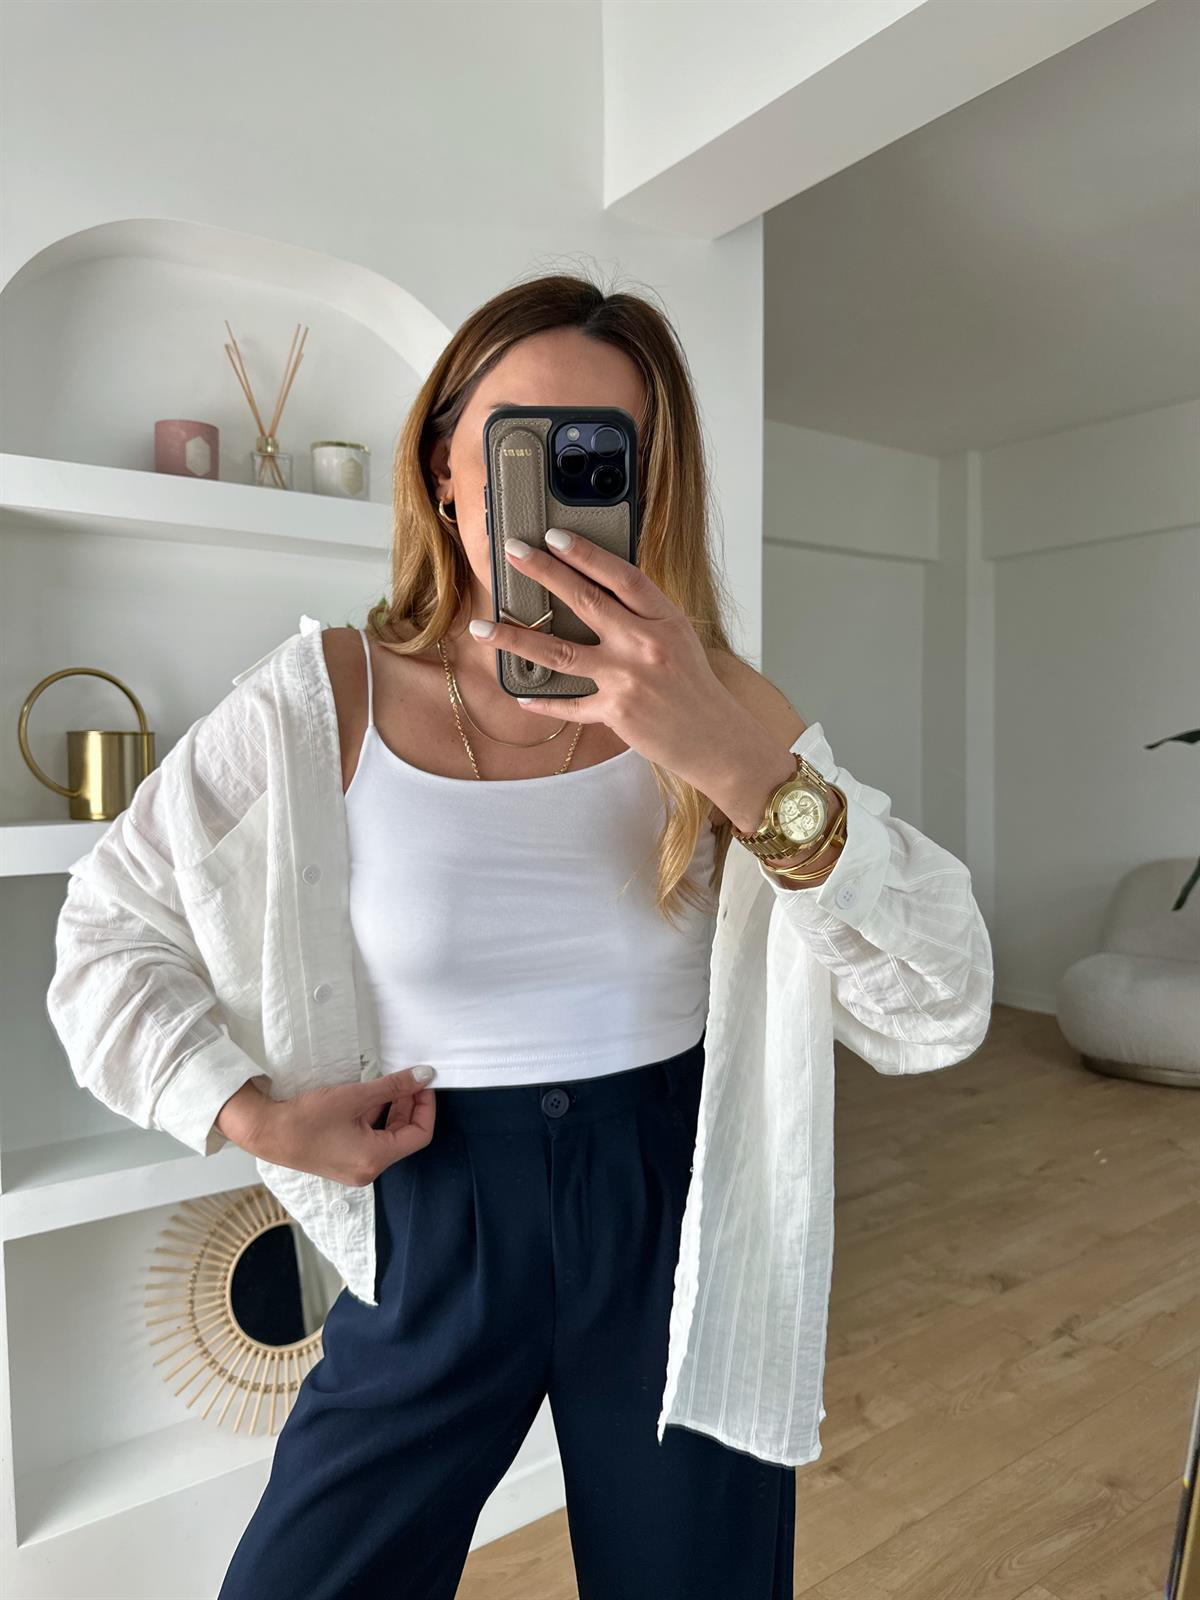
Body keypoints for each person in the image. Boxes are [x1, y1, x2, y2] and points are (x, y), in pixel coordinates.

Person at [47, 270, 993, 1600]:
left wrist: (734, 763)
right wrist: (252, 1116)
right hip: (436, 1204)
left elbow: (939, 997)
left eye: (598, 455)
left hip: (672, 1209)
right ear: (446, 470)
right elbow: (105, 931)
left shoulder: (719, 703)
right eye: (518, 446)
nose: (553, 493)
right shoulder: (321, 700)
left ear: (648, 487)